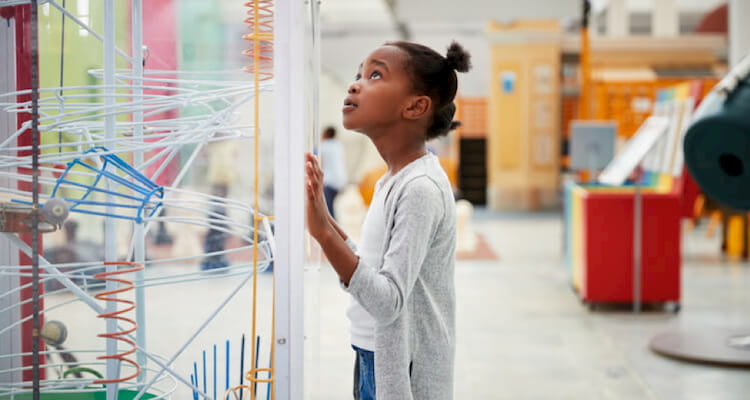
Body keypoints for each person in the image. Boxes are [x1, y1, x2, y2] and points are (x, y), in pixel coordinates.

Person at [305, 41, 471, 400]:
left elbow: (387, 301)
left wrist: (323, 235)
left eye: (375, 74)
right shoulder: (393, 179)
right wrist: (325, 220)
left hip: (400, 370)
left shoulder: (419, 189)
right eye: (358, 74)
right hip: (372, 356)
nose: (355, 84)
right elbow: (374, 268)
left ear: (415, 106)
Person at [319, 126, 347, 219]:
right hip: (340, 180)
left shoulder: (324, 146)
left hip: (329, 181)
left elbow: (320, 164)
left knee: (328, 208)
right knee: (331, 206)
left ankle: (332, 228)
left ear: (325, 134)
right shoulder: (338, 145)